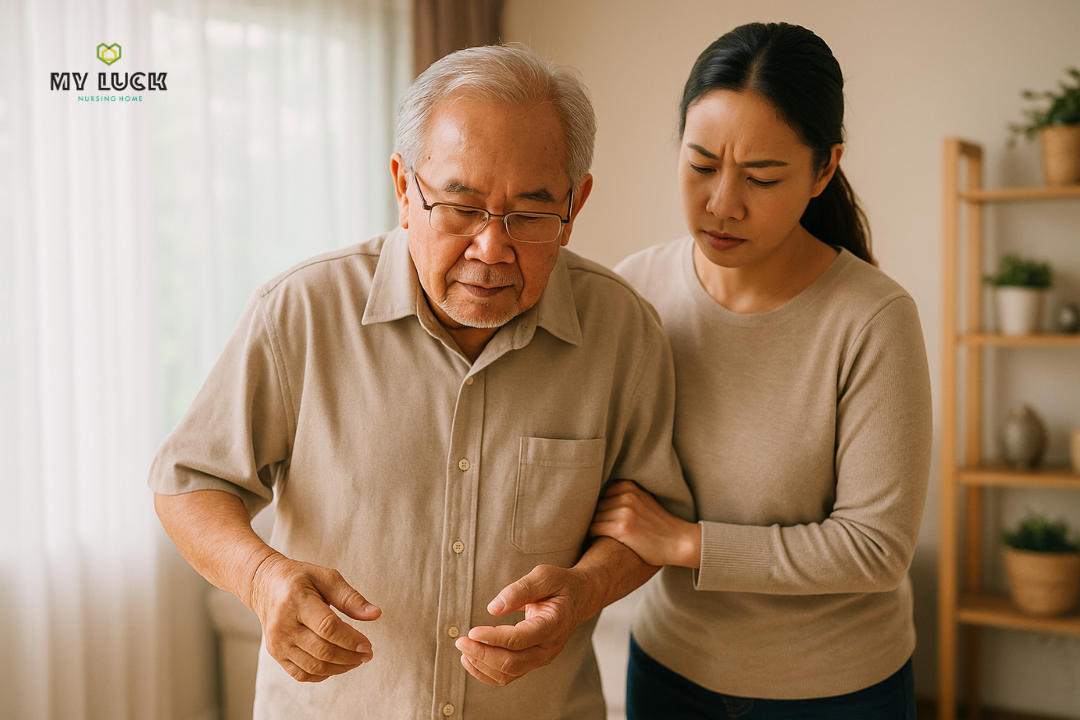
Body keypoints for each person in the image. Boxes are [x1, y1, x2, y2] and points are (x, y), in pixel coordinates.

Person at [149, 44, 692, 720]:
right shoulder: (302, 313)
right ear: (405, 187)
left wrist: (584, 590)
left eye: (529, 214)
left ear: (575, 204)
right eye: (459, 206)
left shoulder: (623, 332)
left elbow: (644, 522)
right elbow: (188, 481)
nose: (491, 249)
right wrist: (263, 579)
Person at [591, 22, 932, 720]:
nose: (722, 203)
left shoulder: (872, 318)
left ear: (824, 169)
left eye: (762, 176)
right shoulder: (635, 290)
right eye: (701, 163)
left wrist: (686, 543)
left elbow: (875, 550)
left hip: (836, 692)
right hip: (668, 674)